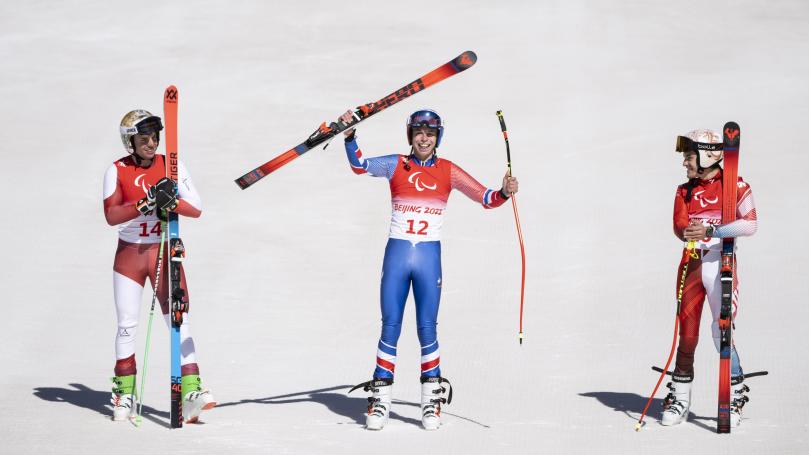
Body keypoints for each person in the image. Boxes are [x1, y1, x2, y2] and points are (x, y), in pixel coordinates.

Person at [341, 109, 519, 430]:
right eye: (419, 133)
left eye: (431, 133)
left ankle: (430, 401)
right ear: (411, 135)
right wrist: (350, 138)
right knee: (390, 326)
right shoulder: (397, 164)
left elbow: (486, 198)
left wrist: (505, 192)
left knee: (427, 329)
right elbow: (359, 166)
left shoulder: (448, 171)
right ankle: (380, 400)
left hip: (427, 259)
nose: (424, 139)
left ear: (438, 137)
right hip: (397, 257)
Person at [102, 109, 215, 423]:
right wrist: (148, 201)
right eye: (144, 138)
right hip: (130, 256)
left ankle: (191, 389)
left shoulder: (172, 165)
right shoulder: (116, 170)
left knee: (179, 320)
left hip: (164, 251)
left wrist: (172, 202)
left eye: (155, 137)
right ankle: (124, 393)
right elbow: (111, 215)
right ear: (130, 141)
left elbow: (197, 208)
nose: (151, 143)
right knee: (127, 325)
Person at [664, 129, 758, 427]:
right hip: (692, 265)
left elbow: (750, 225)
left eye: (689, 157)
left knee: (722, 333)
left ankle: (734, 395)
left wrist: (713, 231)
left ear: (706, 155)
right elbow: (679, 225)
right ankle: (679, 396)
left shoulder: (737, 186)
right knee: (687, 336)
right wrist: (688, 231)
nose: (685, 164)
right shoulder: (684, 190)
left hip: (722, 266)